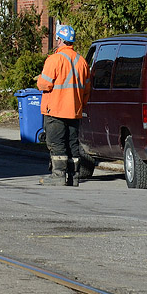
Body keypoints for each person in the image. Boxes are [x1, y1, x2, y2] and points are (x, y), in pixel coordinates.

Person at [34, 24, 92, 187]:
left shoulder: (55, 59)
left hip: (56, 110)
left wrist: (39, 79)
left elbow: (44, 84)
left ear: (60, 40)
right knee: (72, 144)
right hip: (74, 111)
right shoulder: (82, 62)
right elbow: (87, 89)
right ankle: (74, 176)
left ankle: (58, 176)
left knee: (56, 143)